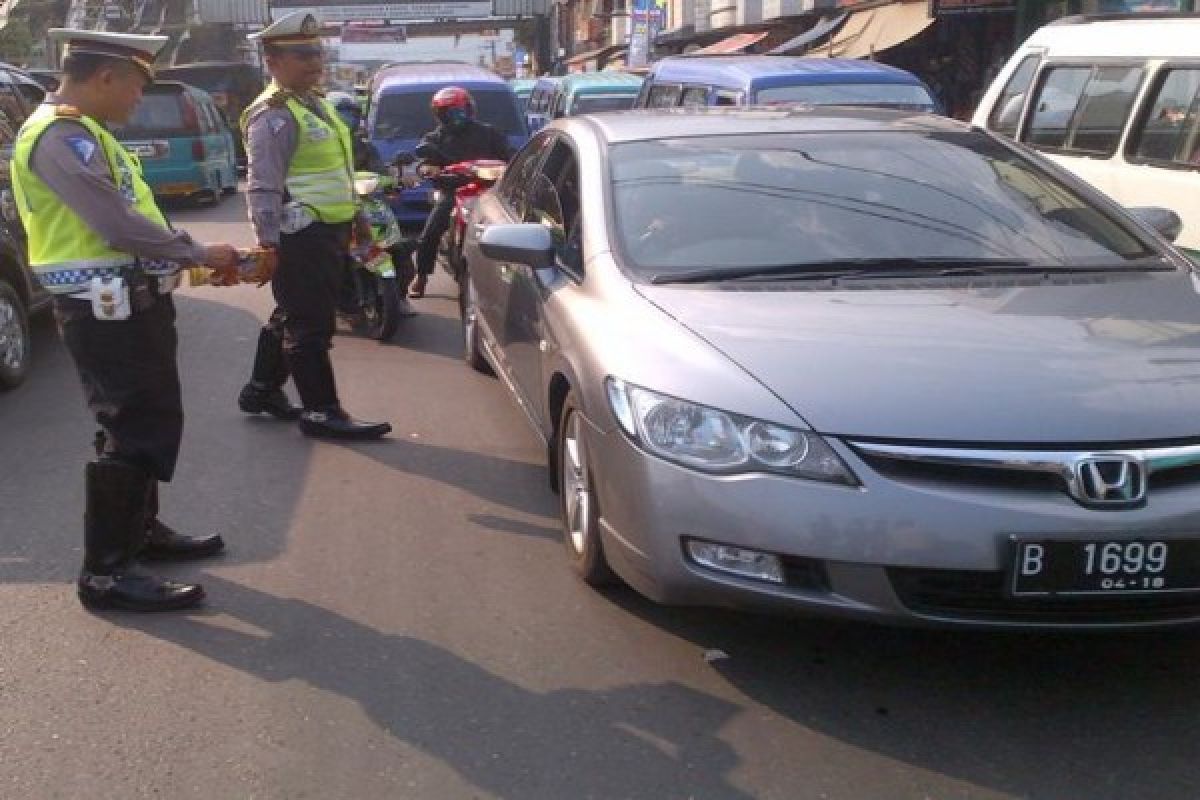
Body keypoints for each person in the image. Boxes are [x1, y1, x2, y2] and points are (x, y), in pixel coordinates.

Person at [10, 29, 242, 611]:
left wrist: (181, 250)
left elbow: (133, 214)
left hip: (126, 299)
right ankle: (107, 573)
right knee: (134, 424)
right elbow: (115, 223)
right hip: (101, 306)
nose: (139, 97)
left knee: (141, 419)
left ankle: (141, 533)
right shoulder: (61, 137)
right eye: (138, 84)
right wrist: (196, 252)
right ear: (106, 76)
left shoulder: (88, 133)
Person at [236, 11, 391, 440]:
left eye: (316, 52)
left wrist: (356, 217)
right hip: (300, 234)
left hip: (329, 230)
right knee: (311, 326)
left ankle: (262, 389)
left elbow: (337, 170)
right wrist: (267, 244)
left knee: (294, 312)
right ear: (272, 60)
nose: (314, 62)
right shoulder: (274, 116)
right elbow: (263, 186)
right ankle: (321, 411)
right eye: (301, 54)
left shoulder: (316, 105)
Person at [410, 86, 511, 298]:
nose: (457, 116)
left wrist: (507, 166)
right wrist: (429, 169)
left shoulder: (489, 133)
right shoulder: (435, 138)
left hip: (487, 192)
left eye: (460, 111)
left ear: (469, 109)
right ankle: (421, 276)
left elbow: (509, 156)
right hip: (453, 192)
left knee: (512, 232)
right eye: (450, 113)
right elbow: (423, 161)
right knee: (429, 234)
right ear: (440, 116)